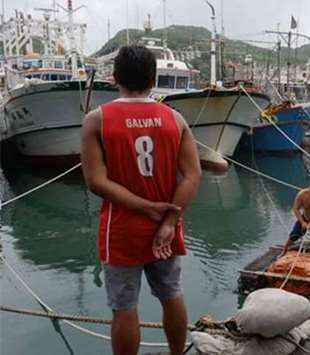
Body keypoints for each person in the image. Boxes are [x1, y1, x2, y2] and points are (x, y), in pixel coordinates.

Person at [81, 45, 202, 355]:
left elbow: (96, 181)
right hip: (166, 228)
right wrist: (169, 221)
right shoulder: (175, 120)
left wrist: (145, 207)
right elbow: (192, 175)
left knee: (124, 308)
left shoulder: (97, 120)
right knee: (171, 294)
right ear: (154, 78)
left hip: (121, 229)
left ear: (115, 76)